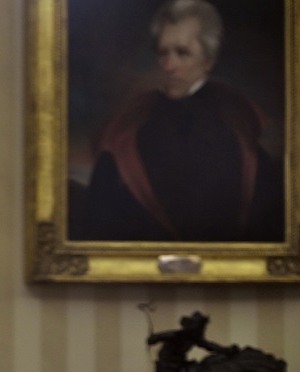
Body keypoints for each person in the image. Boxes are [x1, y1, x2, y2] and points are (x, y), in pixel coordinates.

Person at [73, 0, 283, 242]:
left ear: (208, 61)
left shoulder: (240, 138)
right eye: (163, 54)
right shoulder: (129, 130)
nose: (169, 66)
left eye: (182, 53)